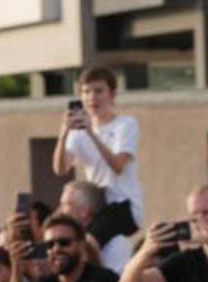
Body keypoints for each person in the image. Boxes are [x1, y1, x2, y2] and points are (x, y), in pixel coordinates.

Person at [52, 66, 144, 226]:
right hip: (95, 207)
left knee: (89, 239)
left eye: (99, 91)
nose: (92, 97)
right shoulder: (77, 132)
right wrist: (64, 133)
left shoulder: (126, 124)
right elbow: (60, 169)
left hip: (123, 205)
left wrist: (91, 133)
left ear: (112, 94)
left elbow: (118, 166)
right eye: (86, 92)